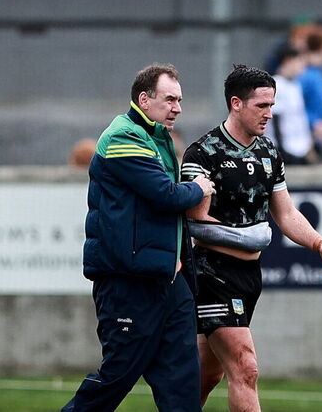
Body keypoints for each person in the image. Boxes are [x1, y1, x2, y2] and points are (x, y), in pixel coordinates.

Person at [181, 64, 322, 412]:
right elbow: (195, 220)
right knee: (246, 368)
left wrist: (320, 243)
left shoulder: (269, 152)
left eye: (272, 105)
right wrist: (250, 236)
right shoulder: (203, 153)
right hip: (213, 273)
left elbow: (286, 214)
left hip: (250, 276)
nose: (270, 113)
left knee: (206, 375)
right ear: (236, 103)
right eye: (262, 106)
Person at [63, 63, 215, 412]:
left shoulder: (157, 137)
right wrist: (198, 187)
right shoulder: (123, 136)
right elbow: (164, 195)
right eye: (170, 99)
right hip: (128, 281)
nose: (178, 108)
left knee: (182, 384)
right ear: (144, 100)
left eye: (180, 100)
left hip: (168, 280)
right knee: (117, 376)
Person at [266, 46, 315, 164]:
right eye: (300, 61)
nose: (303, 67)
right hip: (284, 149)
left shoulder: (295, 86)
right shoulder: (276, 85)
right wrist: (281, 150)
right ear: (288, 60)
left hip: (299, 149)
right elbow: (275, 117)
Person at [299, 24, 322, 160]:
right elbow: (294, 106)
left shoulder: (318, 72)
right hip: (305, 139)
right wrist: (314, 123)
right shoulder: (305, 74)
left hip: (317, 137)